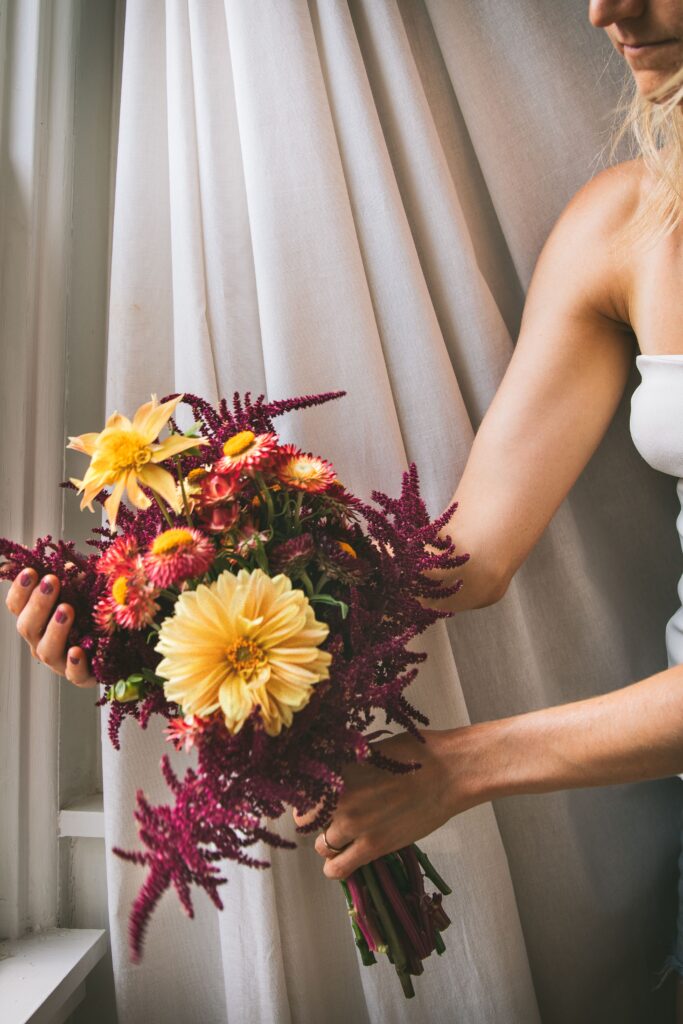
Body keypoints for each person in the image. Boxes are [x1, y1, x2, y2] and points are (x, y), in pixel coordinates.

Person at [3, 0, 683, 1015]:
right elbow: (465, 558)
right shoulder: (624, 224)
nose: (604, 10)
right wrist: (160, 612)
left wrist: (456, 764)